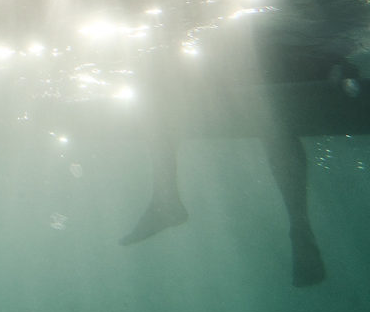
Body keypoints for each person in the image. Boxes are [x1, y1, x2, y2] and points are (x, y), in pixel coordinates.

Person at [120, 30, 362, 287]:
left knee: (272, 112)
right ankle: (165, 199)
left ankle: (167, 201)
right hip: (254, 54)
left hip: (271, 53)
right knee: (158, 92)